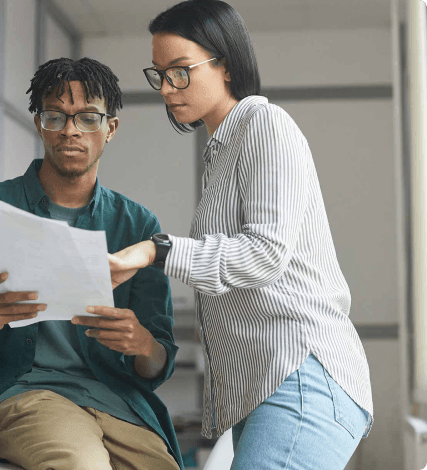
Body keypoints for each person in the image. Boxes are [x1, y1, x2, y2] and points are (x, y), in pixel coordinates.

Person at [107, 1, 373, 469]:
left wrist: (156, 249)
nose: (167, 88)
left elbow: (265, 252)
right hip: (268, 389)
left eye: (180, 71)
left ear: (225, 63)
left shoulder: (264, 126)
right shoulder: (222, 150)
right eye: (159, 74)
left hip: (302, 373)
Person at [0, 57, 182, 470]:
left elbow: (158, 360)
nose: (71, 131)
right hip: (25, 393)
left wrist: (142, 344)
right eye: (55, 117)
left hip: (115, 399)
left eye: (87, 118)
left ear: (110, 128)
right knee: (82, 465)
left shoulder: (138, 225)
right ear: (37, 122)